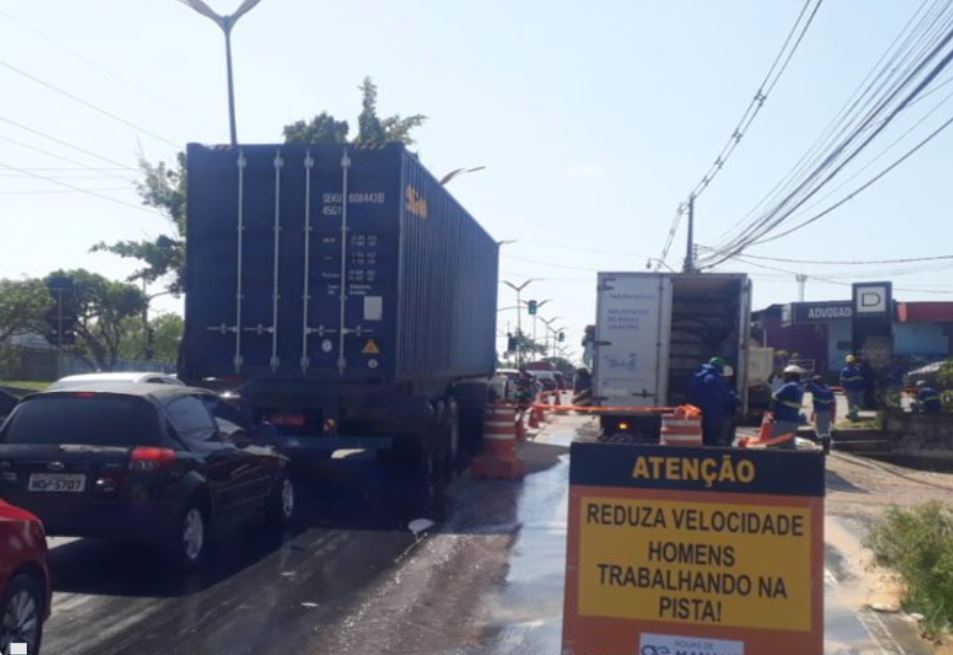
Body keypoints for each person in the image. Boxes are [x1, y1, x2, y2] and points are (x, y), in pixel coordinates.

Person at [689, 356, 732, 447]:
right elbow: (725, 395)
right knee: (713, 435)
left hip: (697, 409)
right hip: (713, 410)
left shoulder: (698, 376)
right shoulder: (716, 378)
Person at [769, 365, 805, 449]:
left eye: (785, 375)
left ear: (790, 375)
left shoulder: (790, 386)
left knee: (774, 446)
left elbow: (774, 397)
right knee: (789, 446)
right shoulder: (800, 386)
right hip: (793, 421)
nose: (784, 377)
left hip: (782, 420)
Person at [806, 375, 835, 451]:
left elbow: (810, 385)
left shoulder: (817, 390)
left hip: (820, 412)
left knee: (821, 432)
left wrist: (808, 378)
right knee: (826, 430)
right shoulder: (828, 389)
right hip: (827, 412)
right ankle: (826, 448)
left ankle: (825, 448)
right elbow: (833, 403)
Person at [841, 355, 866, 421]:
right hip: (850, 390)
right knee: (852, 404)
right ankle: (853, 416)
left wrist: (862, 388)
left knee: (859, 403)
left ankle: (851, 414)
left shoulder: (858, 369)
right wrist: (844, 389)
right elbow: (843, 381)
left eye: (851, 362)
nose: (850, 363)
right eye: (849, 362)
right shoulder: (845, 370)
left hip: (859, 390)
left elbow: (861, 380)